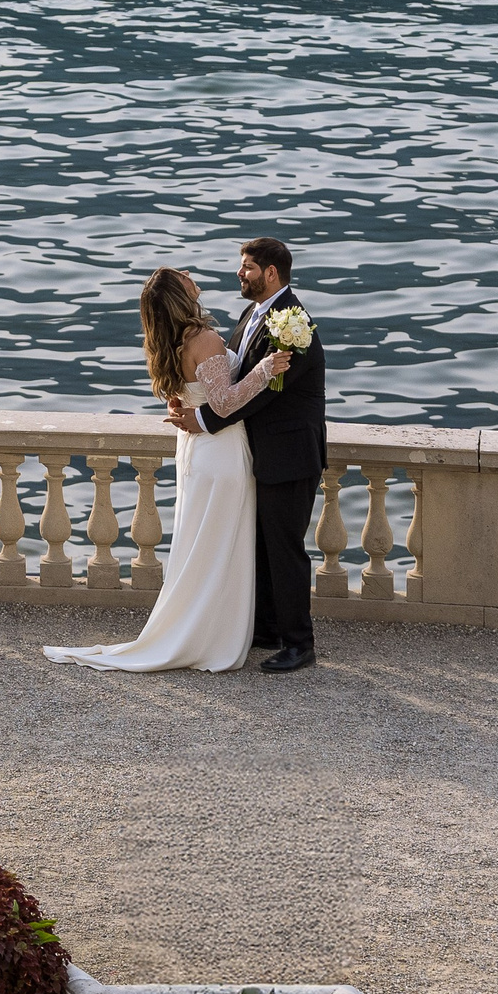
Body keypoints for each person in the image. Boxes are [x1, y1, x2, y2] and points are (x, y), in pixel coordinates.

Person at [43, 266, 289, 672]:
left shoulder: (170, 342)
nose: (193, 274)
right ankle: (210, 637)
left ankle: (205, 628)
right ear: (180, 292)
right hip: (220, 453)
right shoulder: (203, 338)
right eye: (184, 275)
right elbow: (224, 404)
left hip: (197, 452)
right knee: (217, 545)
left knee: (202, 545)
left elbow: (187, 396)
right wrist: (264, 370)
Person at [175, 236, 325, 672]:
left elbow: (264, 395)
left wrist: (204, 422)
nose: (239, 274)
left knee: (285, 548)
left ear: (271, 273)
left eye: (247, 268)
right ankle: (267, 627)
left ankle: (300, 643)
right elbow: (237, 373)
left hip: (290, 454)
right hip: (261, 453)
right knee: (261, 544)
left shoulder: (294, 323)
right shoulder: (253, 314)